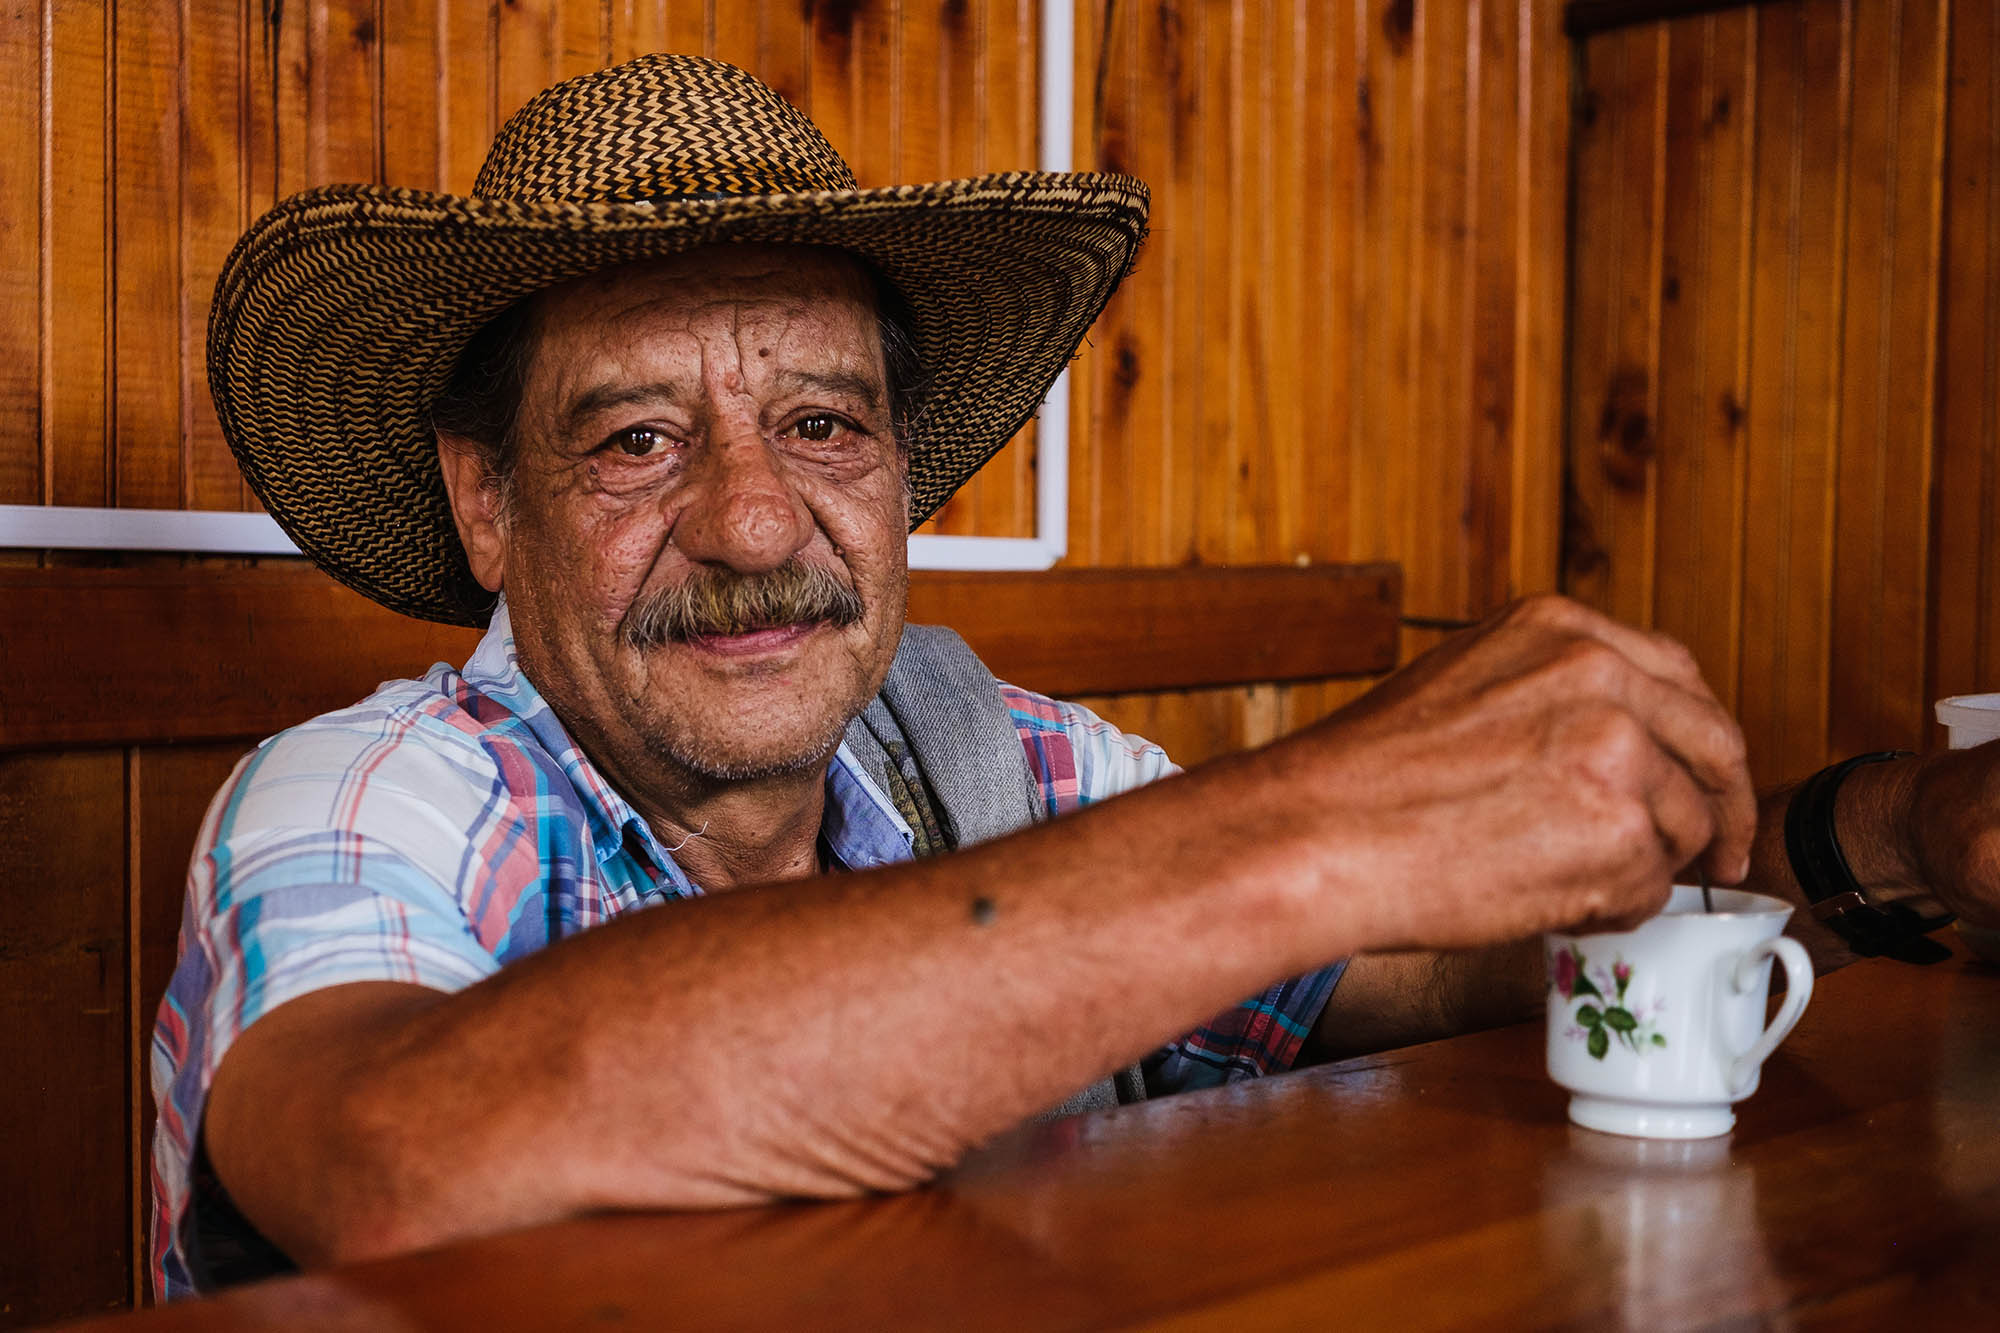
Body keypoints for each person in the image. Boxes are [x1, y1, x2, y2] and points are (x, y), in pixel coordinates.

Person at [143, 53, 1979, 1301]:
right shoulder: (365, 791)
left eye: (822, 422)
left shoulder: (983, 752)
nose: (758, 520)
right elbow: (390, 1153)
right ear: (489, 501)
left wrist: (1890, 825)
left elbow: (1412, 974)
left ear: (901, 467)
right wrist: (1319, 817)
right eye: (635, 439)